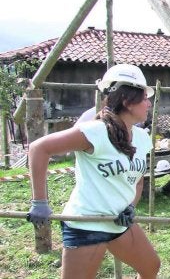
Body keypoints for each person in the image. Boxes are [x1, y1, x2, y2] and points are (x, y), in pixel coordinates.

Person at [26, 64, 160, 278]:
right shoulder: (94, 132)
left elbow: (137, 180)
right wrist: (39, 202)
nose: (149, 103)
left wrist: (130, 207)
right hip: (87, 224)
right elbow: (39, 149)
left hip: (118, 221)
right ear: (127, 100)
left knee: (150, 267)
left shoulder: (142, 138)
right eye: (144, 97)